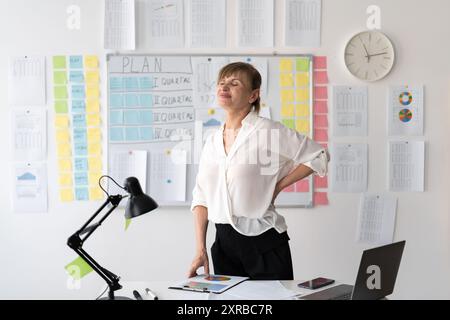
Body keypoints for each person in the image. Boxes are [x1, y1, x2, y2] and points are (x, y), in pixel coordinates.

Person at [188, 62, 329, 280]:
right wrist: (200, 249)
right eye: (222, 82)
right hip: (223, 245)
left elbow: (318, 156)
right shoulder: (212, 141)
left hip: (263, 243)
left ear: (253, 95)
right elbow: (201, 197)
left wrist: (279, 185)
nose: (224, 87)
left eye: (234, 83)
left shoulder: (266, 131)